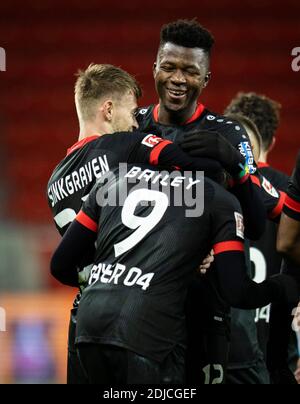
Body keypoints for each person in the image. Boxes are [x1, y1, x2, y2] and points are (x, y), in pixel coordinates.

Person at [47, 63, 231, 383]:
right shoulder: (124, 147)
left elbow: (69, 259)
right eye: (132, 113)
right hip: (141, 314)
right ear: (108, 109)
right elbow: (200, 173)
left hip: (85, 318)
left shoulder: (54, 180)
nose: (136, 123)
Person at [51, 162, 298, 384]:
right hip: (144, 333)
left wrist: (103, 278)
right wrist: (285, 285)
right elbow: (236, 291)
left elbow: (60, 265)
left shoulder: (116, 176)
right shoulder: (218, 198)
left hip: (88, 327)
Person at [137, 18, 284, 384]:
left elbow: (255, 224)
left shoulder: (229, 135)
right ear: (154, 67)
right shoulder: (131, 127)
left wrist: (236, 167)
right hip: (143, 309)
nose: (177, 79)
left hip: (206, 312)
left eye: (191, 71)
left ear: (206, 79)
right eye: (169, 67)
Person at [225, 93, 299, 383]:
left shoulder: (212, 189)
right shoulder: (291, 194)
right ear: (272, 140)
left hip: (226, 348)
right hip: (281, 349)